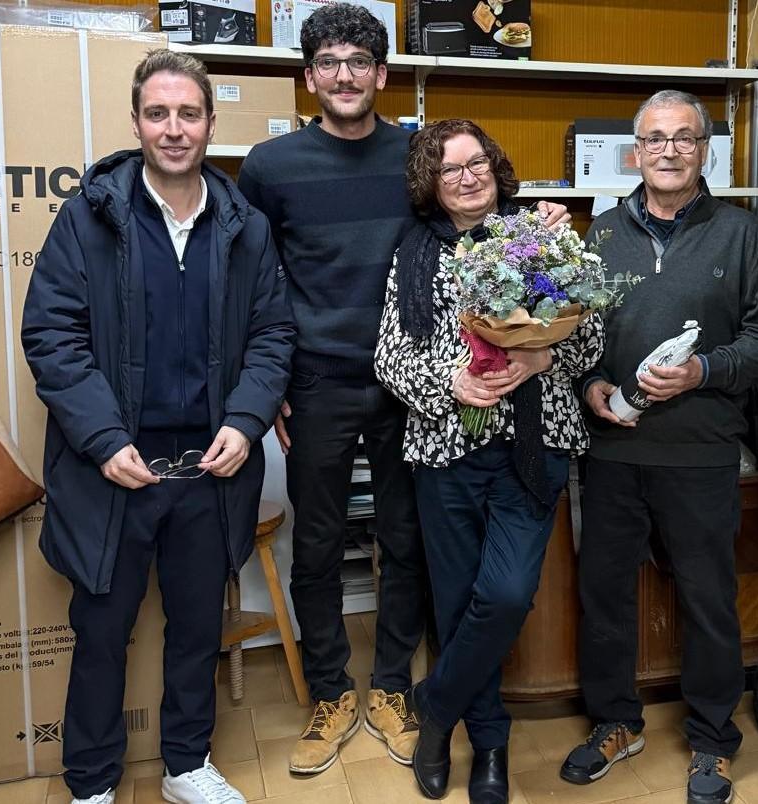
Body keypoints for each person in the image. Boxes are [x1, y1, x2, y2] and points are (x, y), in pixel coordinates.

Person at [237, 3, 568, 774]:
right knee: (316, 544)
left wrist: (543, 220)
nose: (345, 76)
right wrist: (270, 376)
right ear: (308, 76)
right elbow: (252, 278)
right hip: (315, 381)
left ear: (382, 74)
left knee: (406, 542)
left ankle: (392, 686)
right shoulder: (270, 166)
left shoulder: (419, 157)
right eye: (329, 62)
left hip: (411, 387)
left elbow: (480, 230)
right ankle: (329, 692)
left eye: (360, 61)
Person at [20, 49, 295, 804]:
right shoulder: (90, 216)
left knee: (196, 627)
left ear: (210, 121)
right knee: (103, 634)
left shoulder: (245, 226)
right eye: (158, 113)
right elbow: (51, 334)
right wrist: (104, 440)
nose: (174, 129)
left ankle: (185, 765)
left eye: (189, 114)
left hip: (209, 467)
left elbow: (273, 335)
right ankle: (90, 784)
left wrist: (247, 420)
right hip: (112, 468)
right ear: (137, 121)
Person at [560, 90, 758, 804]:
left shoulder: (743, 236)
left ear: (704, 150)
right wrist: (592, 385)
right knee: (603, 597)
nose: (668, 150)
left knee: (708, 599)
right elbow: (576, 333)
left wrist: (703, 370)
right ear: (635, 152)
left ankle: (714, 738)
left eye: (683, 138)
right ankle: (614, 722)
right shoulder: (599, 235)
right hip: (613, 452)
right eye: (655, 139)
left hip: (701, 452)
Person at [373, 118, 604, 804]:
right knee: (455, 602)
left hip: (532, 449)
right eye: (449, 169)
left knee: (503, 595)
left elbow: (591, 346)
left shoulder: (543, 236)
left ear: (494, 168)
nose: (466, 177)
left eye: (476, 163)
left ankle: (435, 709)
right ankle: (490, 748)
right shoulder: (412, 254)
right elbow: (389, 356)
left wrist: (544, 353)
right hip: (445, 447)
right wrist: (453, 381)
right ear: (431, 183)